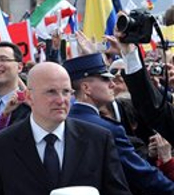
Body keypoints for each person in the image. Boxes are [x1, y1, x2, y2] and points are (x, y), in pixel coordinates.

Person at [0, 62, 131, 195]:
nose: (61, 100)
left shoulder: (98, 140)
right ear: (29, 97)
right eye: (51, 92)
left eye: (66, 92)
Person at [64, 53, 174, 194]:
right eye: (105, 79)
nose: (113, 84)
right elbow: (141, 174)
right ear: (86, 88)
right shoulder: (108, 129)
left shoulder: (63, 121)